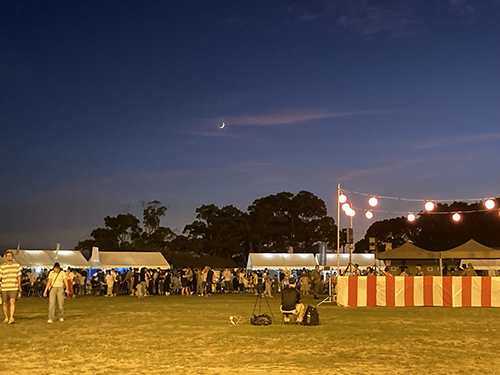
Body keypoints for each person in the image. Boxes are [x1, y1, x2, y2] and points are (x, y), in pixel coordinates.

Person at [0, 250, 22, 324]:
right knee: (4, 303)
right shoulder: (2, 266)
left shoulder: (17, 265)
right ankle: (6, 317)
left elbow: (19, 276)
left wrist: (19, 286)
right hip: (4, 286)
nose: (9, 257)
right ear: (6, 257)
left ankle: (11, 317)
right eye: (8, 256)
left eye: (10, 256)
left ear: (12, 257)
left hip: (13, 286)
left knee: (12, 301)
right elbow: (0, 277)